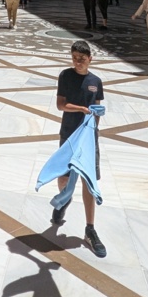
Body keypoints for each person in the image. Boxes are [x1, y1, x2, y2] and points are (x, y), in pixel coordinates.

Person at [51, 40, 106, 258]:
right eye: (74, 58)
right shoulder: (65, 76)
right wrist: (81, 109)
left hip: (88, 138)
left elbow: (97, 107)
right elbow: (60, 104)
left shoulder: (96, 81)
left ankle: (90, 229)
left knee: (88, 182)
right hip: (69, 134)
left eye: (82, 59)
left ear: (90, 59)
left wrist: (94, 123)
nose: (77, 62)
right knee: (64, 177)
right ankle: (64, 198)